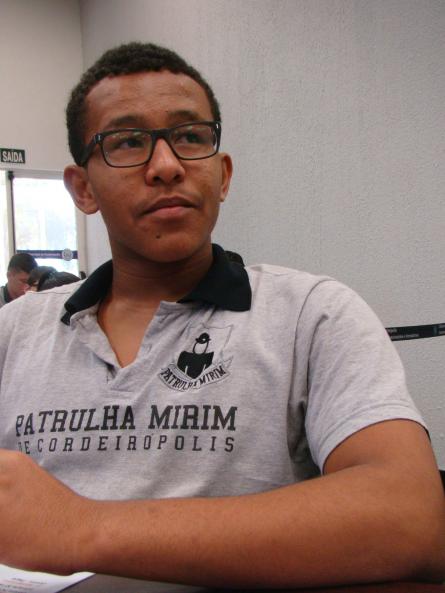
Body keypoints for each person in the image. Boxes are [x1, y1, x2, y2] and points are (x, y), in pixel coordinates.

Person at [0, 42, 444, 588]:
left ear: (223, 174)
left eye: (190, 137)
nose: (167, 166)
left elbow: (409, 516)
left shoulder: (312, 316)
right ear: (83, 188)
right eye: (128, 142)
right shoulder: (14, 333)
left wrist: (78, 529)